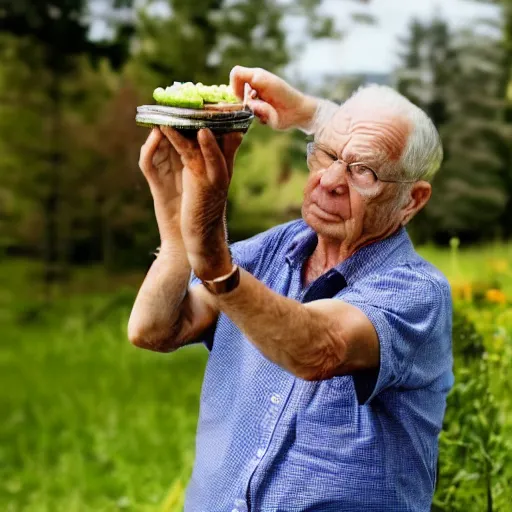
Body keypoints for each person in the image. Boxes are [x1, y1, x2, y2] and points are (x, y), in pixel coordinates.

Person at [129, 66, 453, 512]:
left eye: (364, 173)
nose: (331, 180)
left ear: (412, 200)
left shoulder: (417, 292)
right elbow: (156, 329)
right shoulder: (273, 249)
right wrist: (175, 237)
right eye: (324, 155)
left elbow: (318, 348)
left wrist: (212, 257)